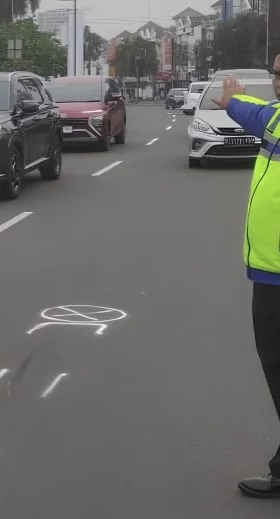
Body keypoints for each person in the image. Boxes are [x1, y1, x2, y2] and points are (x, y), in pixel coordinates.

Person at [212, 54, 280, 499]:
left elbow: (257, 114)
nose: (278, 82)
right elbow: (260, 112)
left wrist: (234, 102)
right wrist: (235, 101)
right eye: (276, 73)